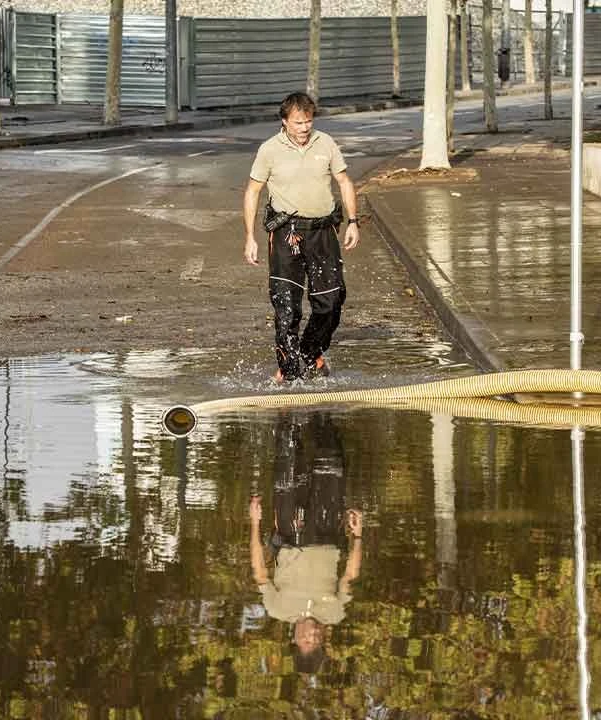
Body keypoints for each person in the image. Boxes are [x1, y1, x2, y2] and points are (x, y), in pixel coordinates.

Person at [243, 92, 361, 382]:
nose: (304, 128)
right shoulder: (269, 150)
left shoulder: (326, 143)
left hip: (323, 231)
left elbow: (344, 181)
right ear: (285, 121)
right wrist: (250, 237)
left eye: (308, 121)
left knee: (331, 302)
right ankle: (288, 372)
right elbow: (253, 191)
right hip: (287, 233)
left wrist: (353, 222)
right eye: (298, 123)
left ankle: (309, 353)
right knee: (286, 306)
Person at [247, 413, 364, 673]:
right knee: (331, 457)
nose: (313, 635)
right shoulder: (335, 613)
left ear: (295, 640)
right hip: (327, 529)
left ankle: (285, 410)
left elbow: (260, 572)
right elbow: (350, 575)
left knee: (287, 451)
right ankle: (323, 412)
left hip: (291, 532)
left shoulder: (277, 609)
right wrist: (357, 536)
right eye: (317, 641)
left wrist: (255, 523)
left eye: (307, 641)